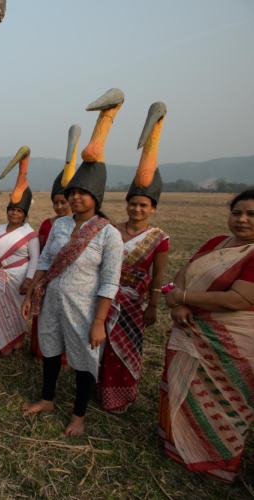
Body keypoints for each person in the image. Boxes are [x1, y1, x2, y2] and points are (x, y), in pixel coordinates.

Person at [22, 88, 124, 436]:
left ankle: (79, 414)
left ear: (95, 198)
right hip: (52, 301)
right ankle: (48, 398)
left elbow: (110, 281)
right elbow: (48, 259)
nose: (76, 198)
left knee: (83, 362)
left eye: (83, 194)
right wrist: (34, 290)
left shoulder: (108, 234)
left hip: (84, 308)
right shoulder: (61, 225)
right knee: (50, 351)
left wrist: (99, 321)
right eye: (73, 194)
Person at [158, 189, 254, 483]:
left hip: (232, 341)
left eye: (251, 214)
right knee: (184, 389)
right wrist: (181, 304)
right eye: (237, 212)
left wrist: (183, 297)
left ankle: (215, 460)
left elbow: (239, 299)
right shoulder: (217, 243)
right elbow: (185, 273)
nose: (242, 219)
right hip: (191, 328)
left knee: (225, 401)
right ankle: (177, 445)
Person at [99, 102, 169, 413]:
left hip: (133, 306)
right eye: (133, 204)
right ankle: (100, 393)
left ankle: (122, 398)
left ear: (152, 208)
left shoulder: (158, 238)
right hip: (107, 298)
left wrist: (153, 305)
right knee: (102, 349)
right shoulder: (112, 231)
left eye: (143, 206)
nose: (137, 210)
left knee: (126, 350)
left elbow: (158, 275)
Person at [0, 146, 39, 356]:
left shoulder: (30, 234)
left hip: (18, 280)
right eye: (12, 209)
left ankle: (15, 344)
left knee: (15, 313)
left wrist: (29, 280)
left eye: (19, 211)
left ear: (24, 214)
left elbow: (34, 260)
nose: (14, 213)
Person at [31, 125, 79, 359]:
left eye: (63, 202)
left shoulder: (83, 228)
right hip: (48, 282)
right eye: (56, 202)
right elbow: (42, 256)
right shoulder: (48, 225)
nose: (59, 207)